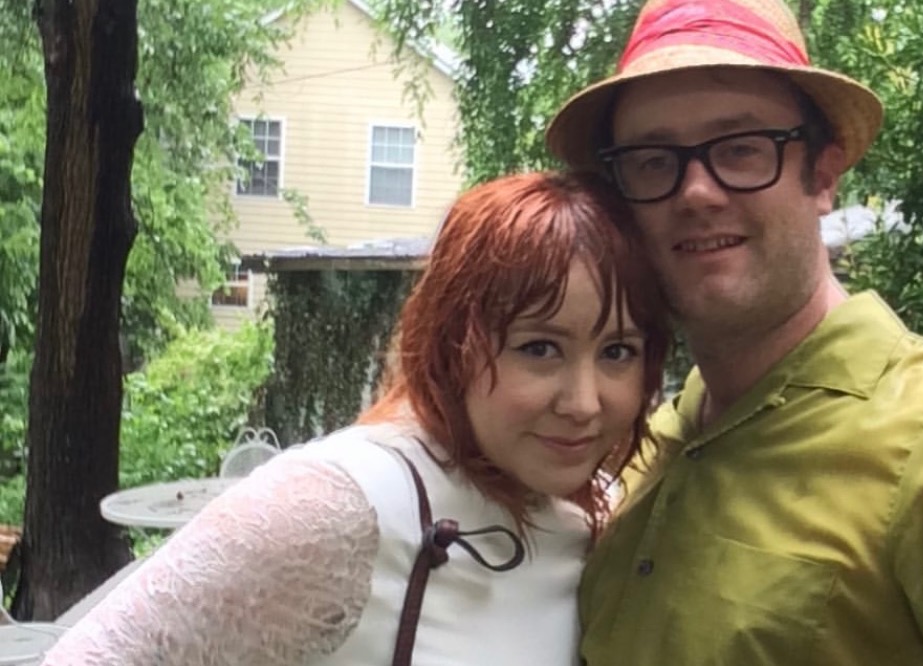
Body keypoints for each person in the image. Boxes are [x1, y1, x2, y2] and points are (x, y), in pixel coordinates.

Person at [545, 1, 923, 664]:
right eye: (651, 160)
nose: (695, 192)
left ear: (823, 176)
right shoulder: (642, 448)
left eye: (740, 149)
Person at [40, 171, 670, 665]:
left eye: (618, 352)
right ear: (454, 342)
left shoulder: (604, 513)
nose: (584, 402)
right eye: (539, 348)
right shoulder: (337, 504)